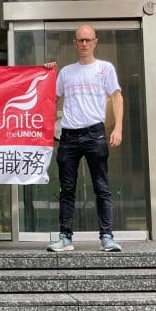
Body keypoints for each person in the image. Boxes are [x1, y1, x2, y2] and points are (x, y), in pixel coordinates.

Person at [44, 25, 124, 252]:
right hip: (68, 135)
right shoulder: (66, 72)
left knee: (102, 186)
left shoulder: (105, 69)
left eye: (88, 40)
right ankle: (65, 238)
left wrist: (118, 128)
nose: (84, 44)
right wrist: (48, 73)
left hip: (95, 133)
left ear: (95, 42)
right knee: (67, 188)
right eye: (80, 40)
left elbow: (117, 98)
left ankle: (107, 237)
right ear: (74, 43)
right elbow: (51, 97)